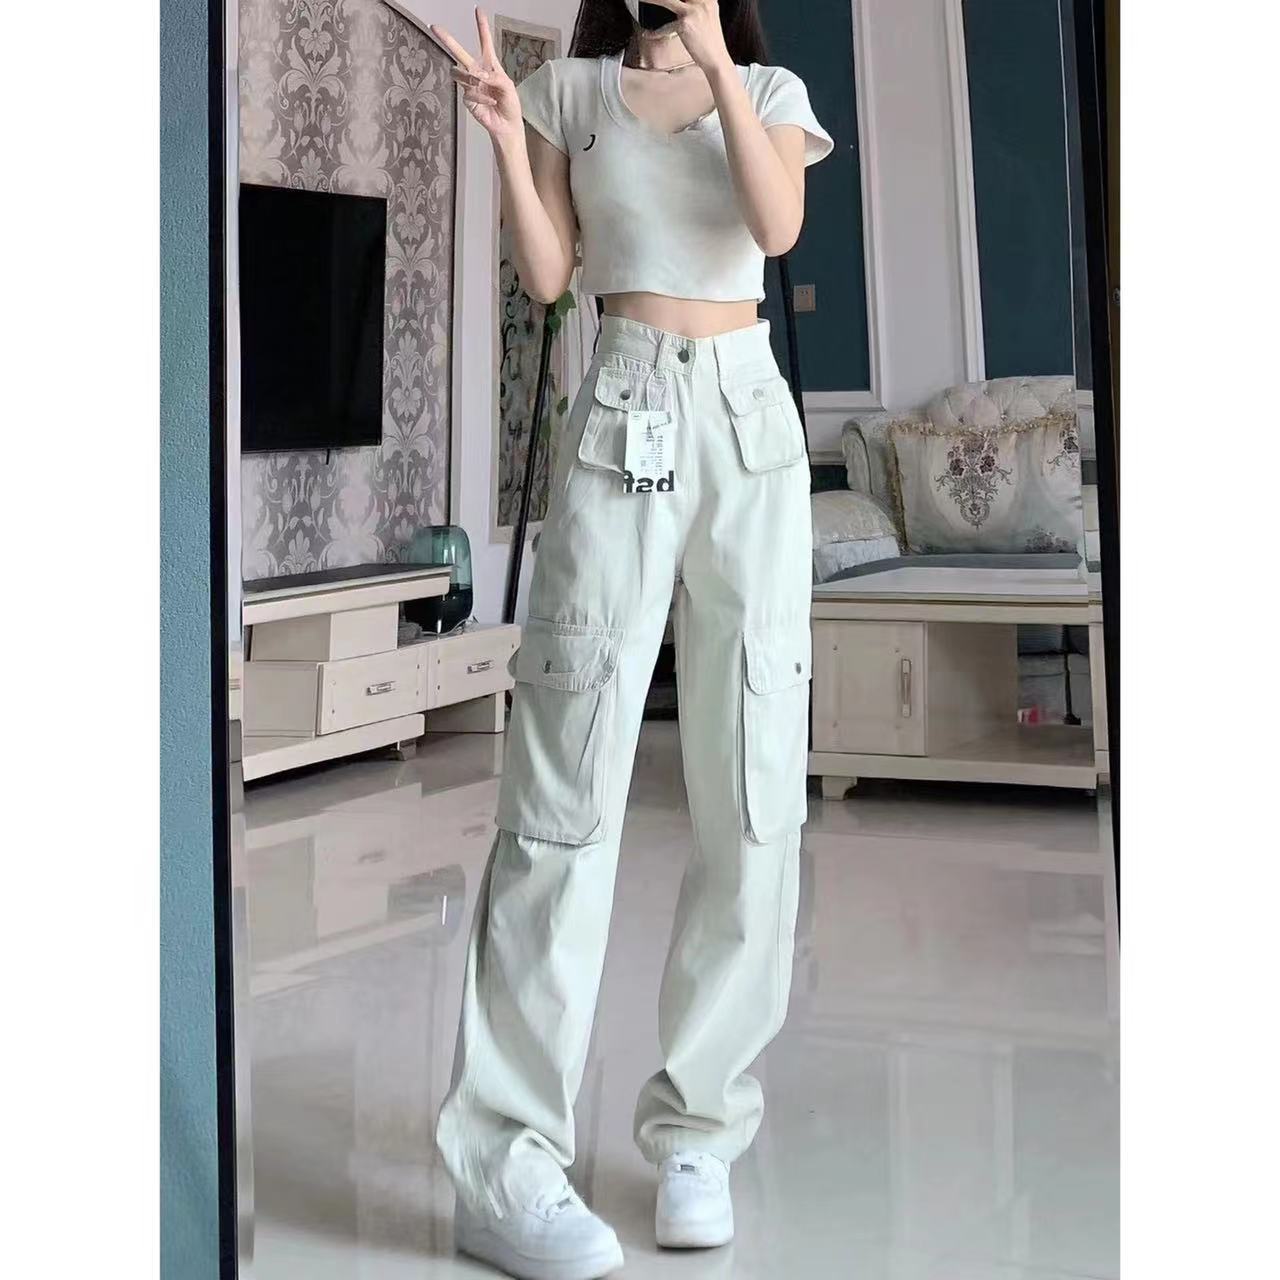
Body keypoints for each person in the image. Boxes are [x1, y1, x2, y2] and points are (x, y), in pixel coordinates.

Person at [429, 3, 832, 1276]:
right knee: (561, 793)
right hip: (620, 406)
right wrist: (508, 138)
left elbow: (774, 226)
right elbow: (551, 275)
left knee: (753, 792)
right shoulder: (569, 92)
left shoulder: (769, 90)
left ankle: (699, 1130)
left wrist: (715, 64)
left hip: (747, 422)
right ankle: (504, 1165)